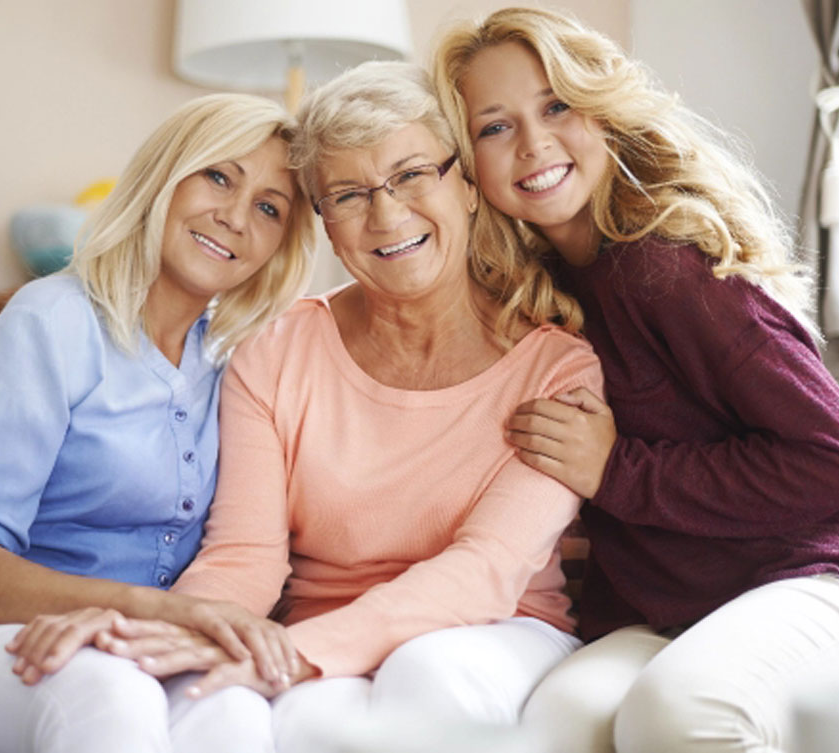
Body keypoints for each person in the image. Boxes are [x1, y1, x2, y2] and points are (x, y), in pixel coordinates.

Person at [96, 61, 604, 752]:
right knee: (252, 713)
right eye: (349, 193)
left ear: (468, 187)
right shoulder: (274, 353)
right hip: (317, 634)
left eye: (412, 174)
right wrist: (161, 636)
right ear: (326, 225)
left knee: (428, 672)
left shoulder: (558, 367)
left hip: (497, 634)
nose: (387, 214)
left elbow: (482, 572)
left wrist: (291, 652)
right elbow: (243, 558)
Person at [433, 6, 839, 753]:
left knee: (680, 713)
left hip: (808, 580)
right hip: (662, 610)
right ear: (468, 161)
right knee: (557, 720)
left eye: (556, 106)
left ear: (602, 114)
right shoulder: (536, 291)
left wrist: (617, 468)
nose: (534, 142)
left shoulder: (665, 266)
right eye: (495, 126)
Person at [0, 92, 314, 753]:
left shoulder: (238, 364)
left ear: (279, 245)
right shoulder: (49, 323)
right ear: (164, 177)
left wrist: (141, 625)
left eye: (268, 208)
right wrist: (141, 609)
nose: (234, 216)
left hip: (121, 639)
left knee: (230, 703)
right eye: (218, 176)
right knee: (108, 693)